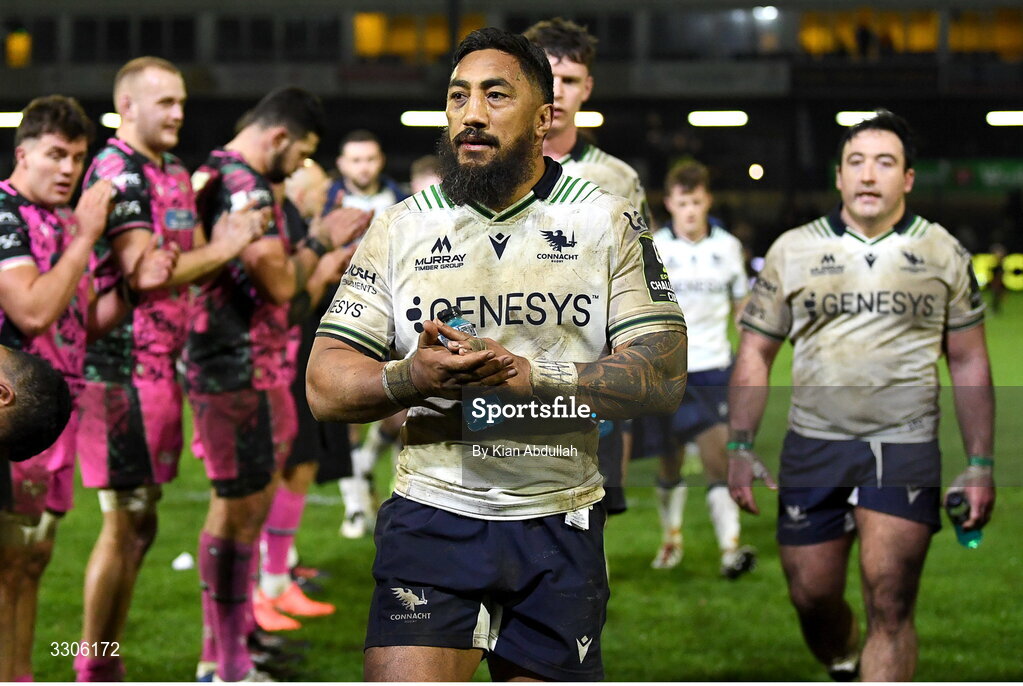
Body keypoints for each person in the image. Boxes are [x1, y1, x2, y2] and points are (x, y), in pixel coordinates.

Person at [307, 27, 686, 681]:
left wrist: (532, 376)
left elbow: (662, 370)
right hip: (430, 513)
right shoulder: (401, 226)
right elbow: (323, 383)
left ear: (544, 118)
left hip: (556, 517)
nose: (471, 114)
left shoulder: (607, 218)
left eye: (494, 96)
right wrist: (410, 375)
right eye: (457, 97)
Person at [728, 110, 995, 681]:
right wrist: (741, 446)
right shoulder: (792, 251)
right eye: (856, 162)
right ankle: (846, 659)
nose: (869, 175)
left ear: (909, 179)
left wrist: (979, 464)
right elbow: (755, 353)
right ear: (838, 178)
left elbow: (970, 360)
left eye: (885, 163)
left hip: (904, 446)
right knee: (812, 596)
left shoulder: (943, 252)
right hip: (814, 444)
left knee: (891, 602)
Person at [73, 56, 267, 682]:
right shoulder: (116, 170)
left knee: (144, 520)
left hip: (163, 372)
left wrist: (217, 249)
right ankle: (94, 667)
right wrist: (229, 245)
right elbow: (143, 271)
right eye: (164, 103)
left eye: (182, 101)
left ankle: (105, 660)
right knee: (125, 520)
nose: (179, 113)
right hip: (118, 373)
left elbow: (180, 264)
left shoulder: (175, 172)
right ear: (126, 106)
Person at [186, 87, 367, 682]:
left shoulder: (225, 173)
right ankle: (224, 664)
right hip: (232, 368)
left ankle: (232, 652)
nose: (301, 166)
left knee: (243, 514)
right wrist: (320, 241)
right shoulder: (243, 184)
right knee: (235, 515)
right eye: (304, 153)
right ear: (280, 137)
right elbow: (282, 288)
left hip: (251, 368)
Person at [0, 95, 174, 682]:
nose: (69, 169)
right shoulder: (4, 212)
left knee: (32, 558)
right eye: (54, 154)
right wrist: (85, 237)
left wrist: (132, 291)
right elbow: (30, 311)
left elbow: (78, 321)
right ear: (22, 153)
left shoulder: (59, 221)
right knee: (8, 561)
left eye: (77, 156)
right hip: (9, 415)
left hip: (51, 417)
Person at [524, 17, 654, 516]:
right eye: (546, 78)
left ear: (589, 88)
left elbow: (640, 286)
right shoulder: (483, 171)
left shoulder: (617, 179)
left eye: (571, 81)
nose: (557, 94)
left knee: (585, 532)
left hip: (587, 384)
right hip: (500, 380)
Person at [253, 168, 364, 635]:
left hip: (298, 357)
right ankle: (267, 587)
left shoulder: (296, 225)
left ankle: (278, 579)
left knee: (298, 466)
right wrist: (327, 266)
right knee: (278, 471)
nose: (327, 193)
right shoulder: (284, 226)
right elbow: (289, 301)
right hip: (280, 362)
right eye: (320, 185)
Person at [636, 160, 755, 577]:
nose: (690, 210)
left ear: (707, 201)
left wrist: (749, 356)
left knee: (716, 457)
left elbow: (741, 306)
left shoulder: (726, 247)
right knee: (668, 464)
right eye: (682, 202)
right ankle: (671, 540)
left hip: (714, 371)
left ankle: (731, 549)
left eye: (697, 201)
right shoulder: (654, 250)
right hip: (668, 373)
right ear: (669, 203)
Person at [325, 130, 408, 214]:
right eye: (356, 160)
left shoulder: (402, 201)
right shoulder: (325, 202)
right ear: (341, 164)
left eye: (371, 159)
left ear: (382, 160)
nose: (364, 168)